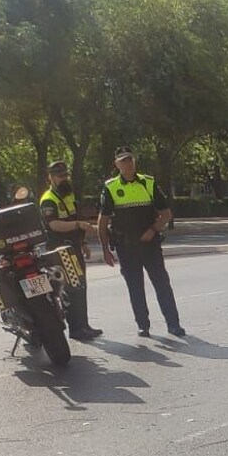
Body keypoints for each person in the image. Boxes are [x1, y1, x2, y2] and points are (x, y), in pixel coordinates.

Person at [98, 145, 185, 337]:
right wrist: (105, 249)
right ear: (117, 164)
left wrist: (153, 229)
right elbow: (102, 221)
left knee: (161, 282)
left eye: (130, 159)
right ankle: (143, 325)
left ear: (134, 160)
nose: (128, 163)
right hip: (125, 246)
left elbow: (166, 214)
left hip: (149, 244)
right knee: (135, 286)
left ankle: (173, 324)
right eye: (123, 161)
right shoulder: (111, 187)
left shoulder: (148, 183)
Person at [39, 160, 101, 341]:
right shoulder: (48, 199)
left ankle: (84, 324)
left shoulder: (69, 195)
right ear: (51, 178)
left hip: (73, 247)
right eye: (59, 176)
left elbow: (75, 218)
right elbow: (55, 225)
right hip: (60, 250)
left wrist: (83, 244)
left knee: (80, 286)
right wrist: (78, 224)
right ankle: (76, 329)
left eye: (65, 175)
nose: (63, 179)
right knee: (72, 287)